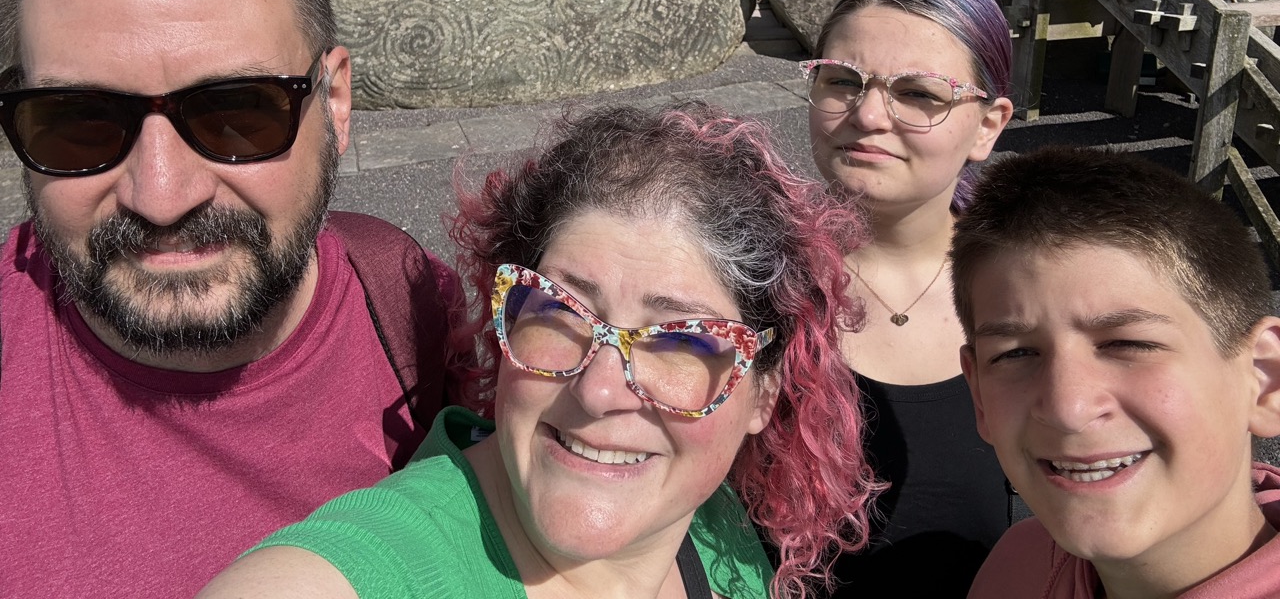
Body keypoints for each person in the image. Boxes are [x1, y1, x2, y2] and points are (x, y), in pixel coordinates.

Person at [0, 0, 460, 599]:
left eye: (236, 111)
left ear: (335, 104)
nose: (161, 195)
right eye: (78, 122)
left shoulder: (424, 309)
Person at [199, 102, 882, 599]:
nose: (598, 390)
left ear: (762, 391)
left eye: (680, 340)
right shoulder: (374, 570)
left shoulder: (712, 522)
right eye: (559, 313)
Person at [953, 145, 1280, 599]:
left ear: (1264, 379)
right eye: (1015, 354)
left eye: (1129, 343)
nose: (1068, 408)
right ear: (979, 398)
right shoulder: (1018, 564)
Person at [802, 0, 1015, 596]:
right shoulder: (749, 280)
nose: (868, 114)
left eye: (920, 93)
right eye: (842, 82)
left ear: (987, 126)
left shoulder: (1038, 296)